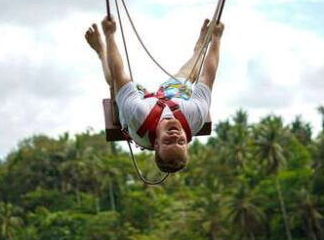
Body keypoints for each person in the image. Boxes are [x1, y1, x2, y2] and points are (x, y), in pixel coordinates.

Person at [85, 16, 223, 174]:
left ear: (156, 144)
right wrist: (216, 38)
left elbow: (119, 73)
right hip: (171, 101)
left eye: (168, 141)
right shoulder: (194, 115)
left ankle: (101, 51)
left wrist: (109, 35)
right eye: (180, 141)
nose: (175, 135)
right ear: (187, 141)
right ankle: (200, 48)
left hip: (144, 109)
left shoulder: (138, 115)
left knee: (115, 83)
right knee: (187, 75)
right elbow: (207, 77)